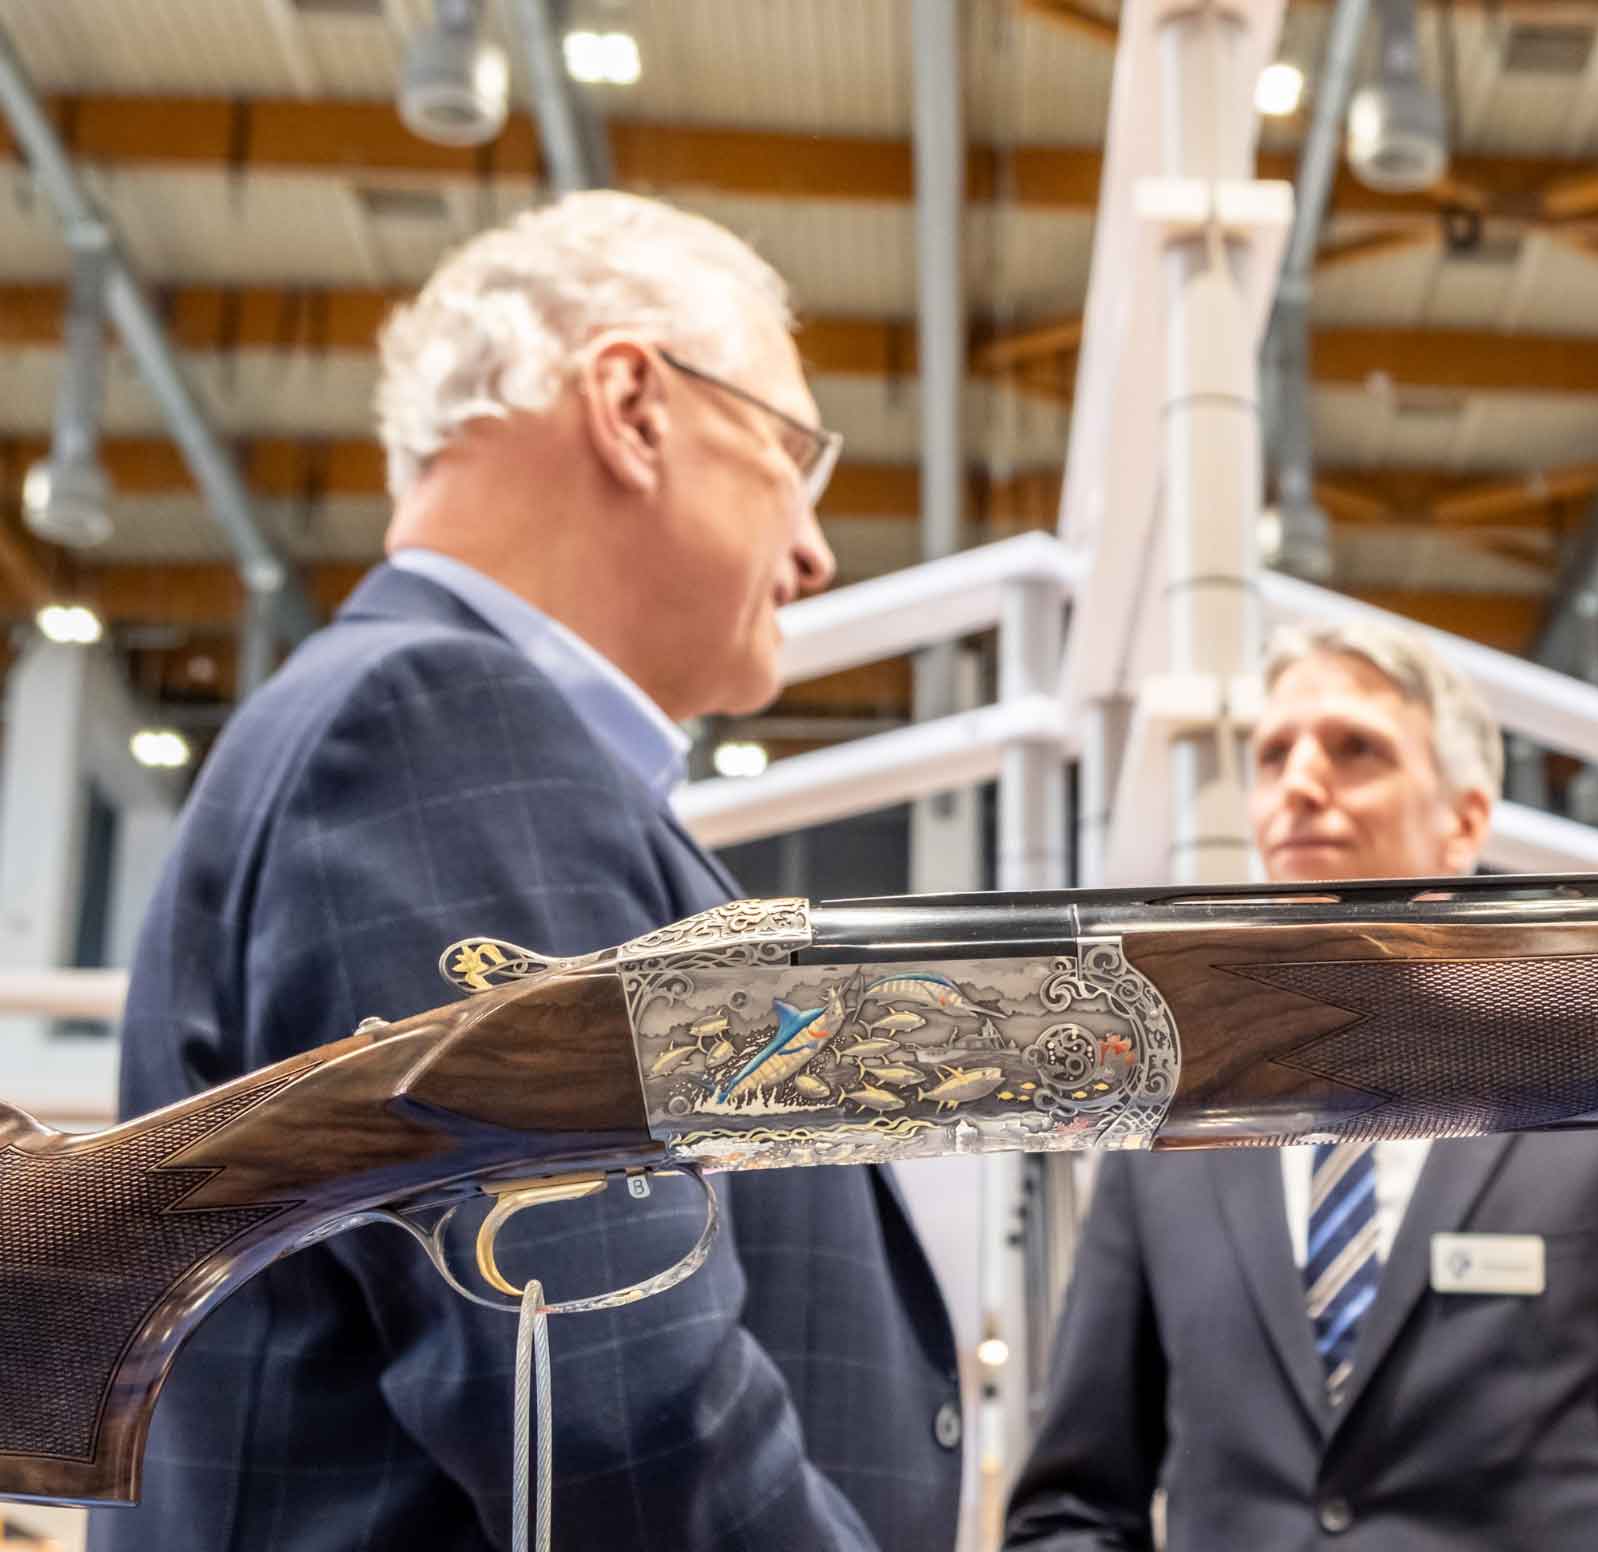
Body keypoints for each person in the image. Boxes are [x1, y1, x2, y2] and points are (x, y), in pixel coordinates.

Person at [102, 193, 962, 1552]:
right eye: (794, 456)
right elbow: (615, 1405)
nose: (814, 549)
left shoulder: (420, 726)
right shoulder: (441, 730)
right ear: (632, 403)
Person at [1000, 620, 1598, 1551]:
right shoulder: (1177, 1122)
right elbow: (1071, 1513)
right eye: (1274, 753)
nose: (1300, 783)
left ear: (1466, 821)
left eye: (1355, 749)